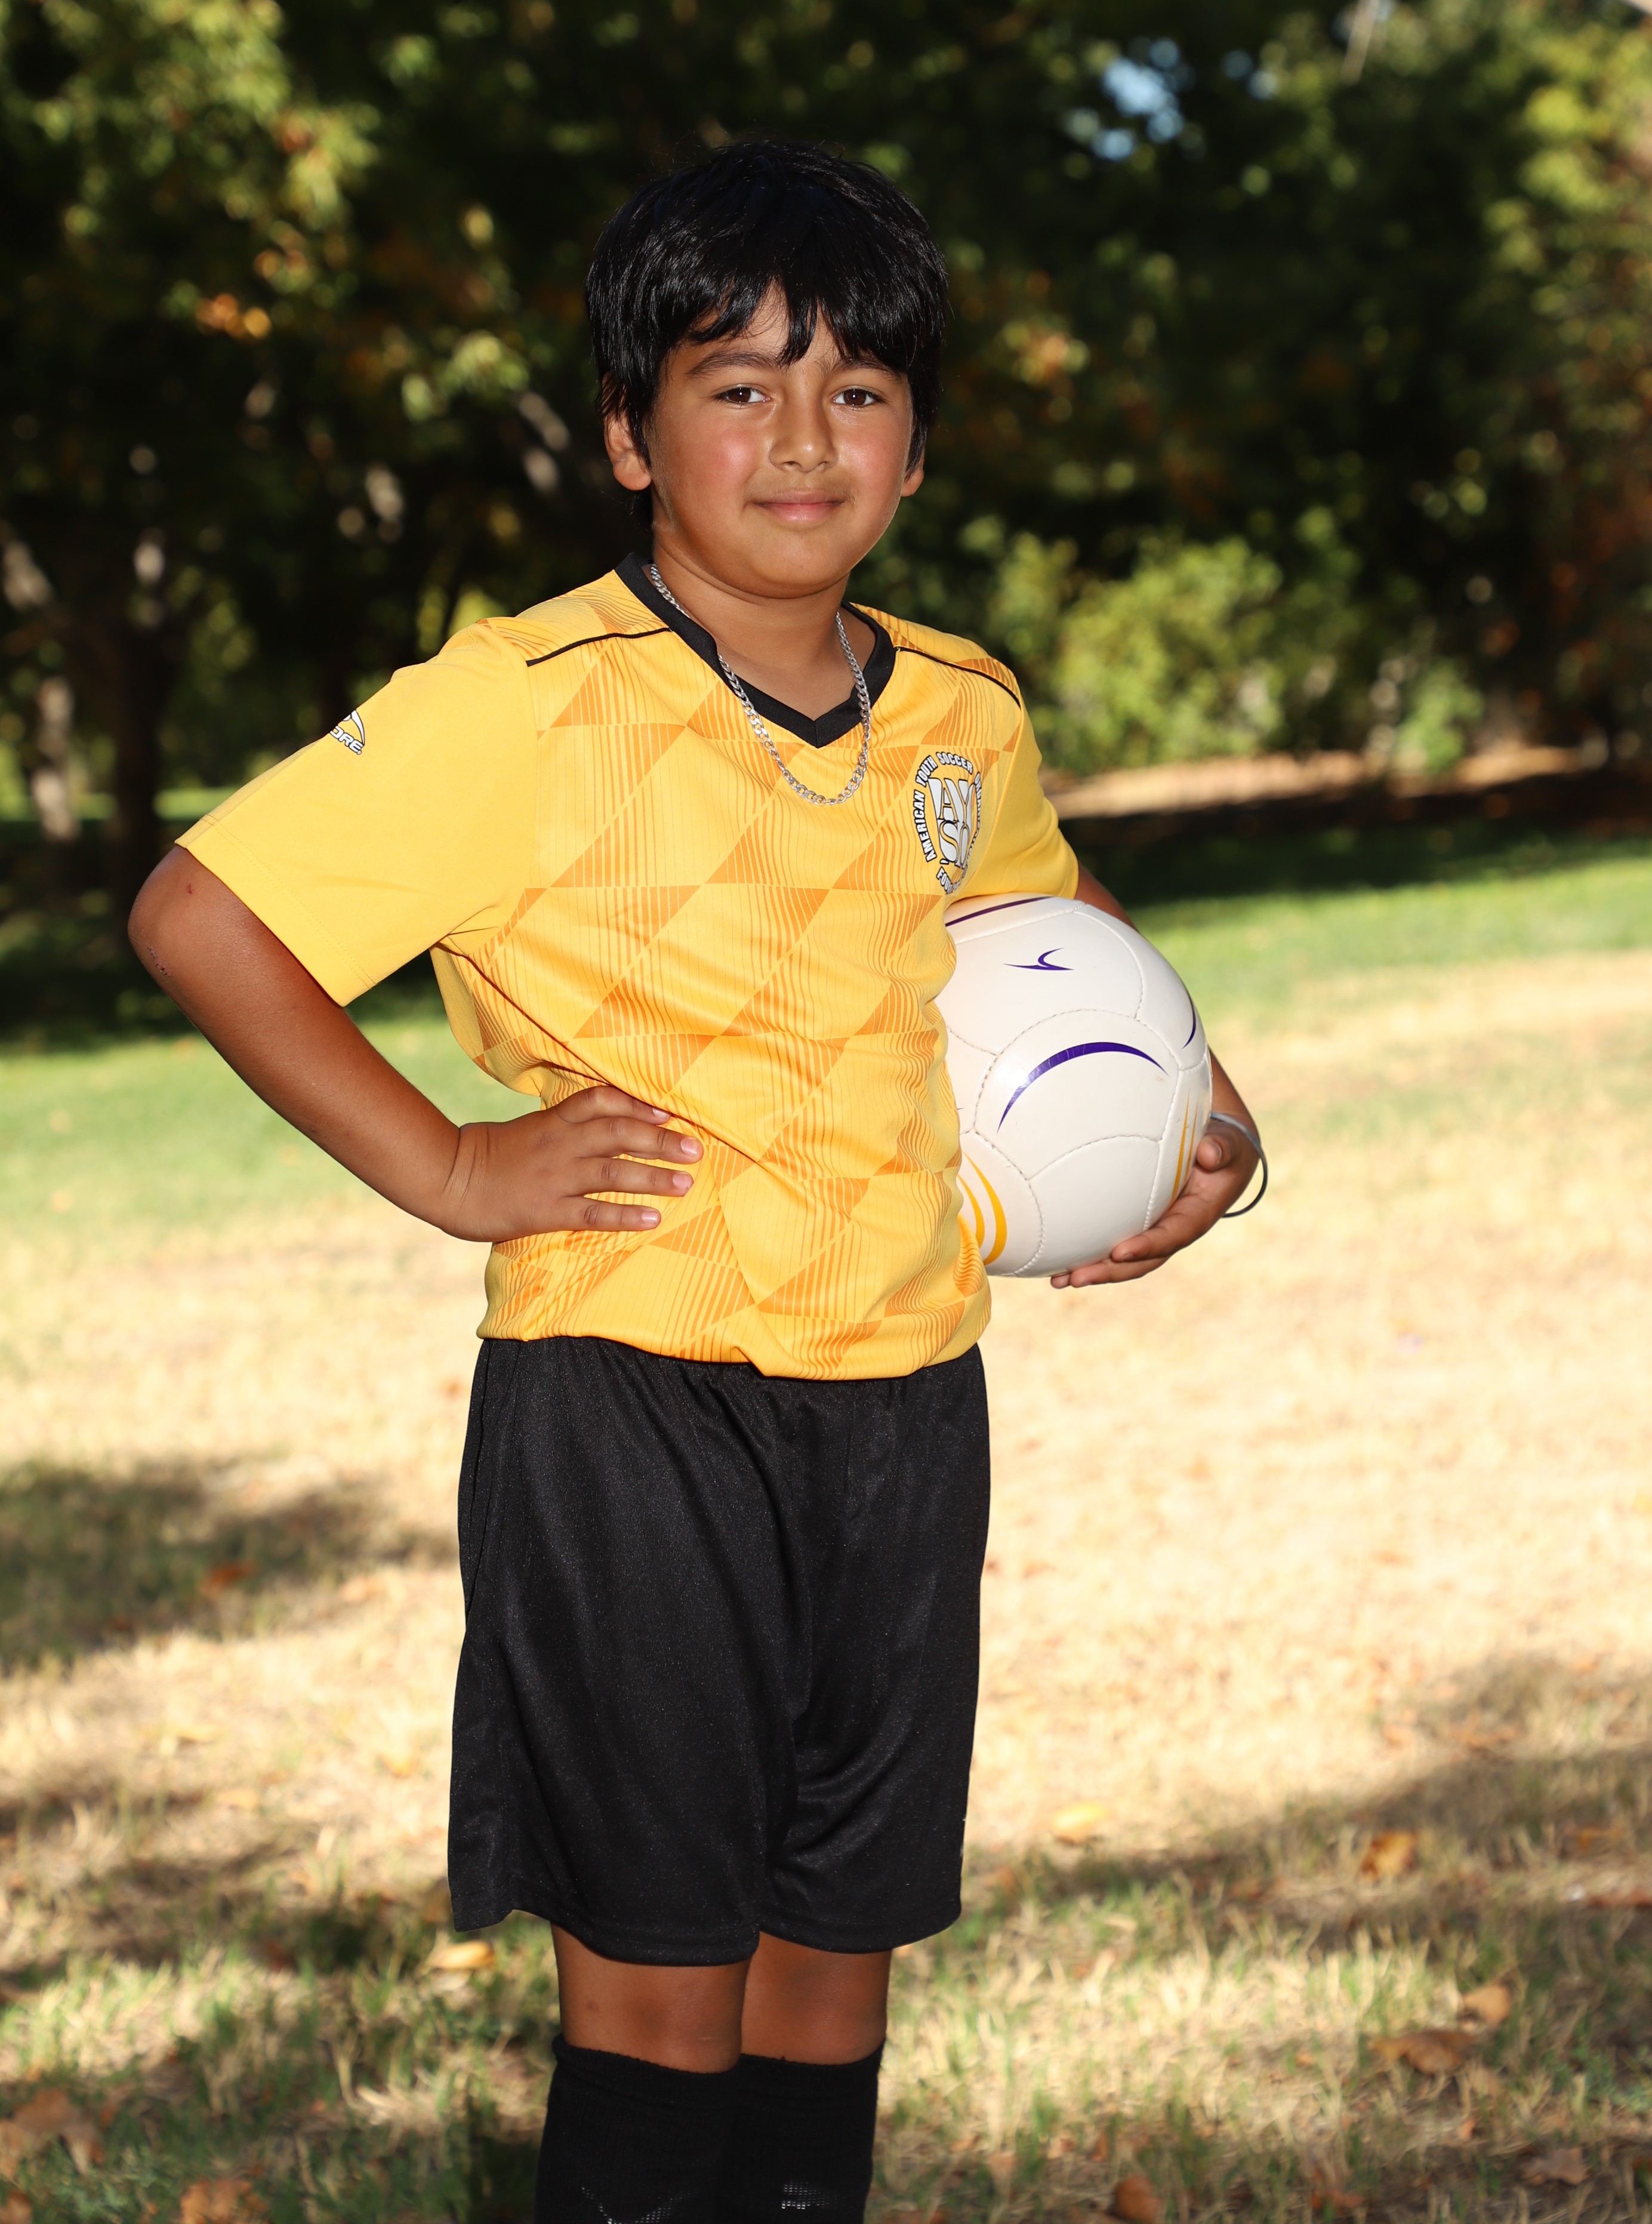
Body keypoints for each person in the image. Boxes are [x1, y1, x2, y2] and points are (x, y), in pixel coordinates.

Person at [130, 139, 1261, 2224]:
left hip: (906, 1400)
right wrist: (454, 1161)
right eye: (740, 387)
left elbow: (1046, 925)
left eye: (858, 391)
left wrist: (1205, 1113)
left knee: (832, 1968)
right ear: (631, 437)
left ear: (919, 442)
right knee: (662, 1985)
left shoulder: (961, 712)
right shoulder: (522, 702)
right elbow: (203, 916)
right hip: (633, 1403)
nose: (803, 439)